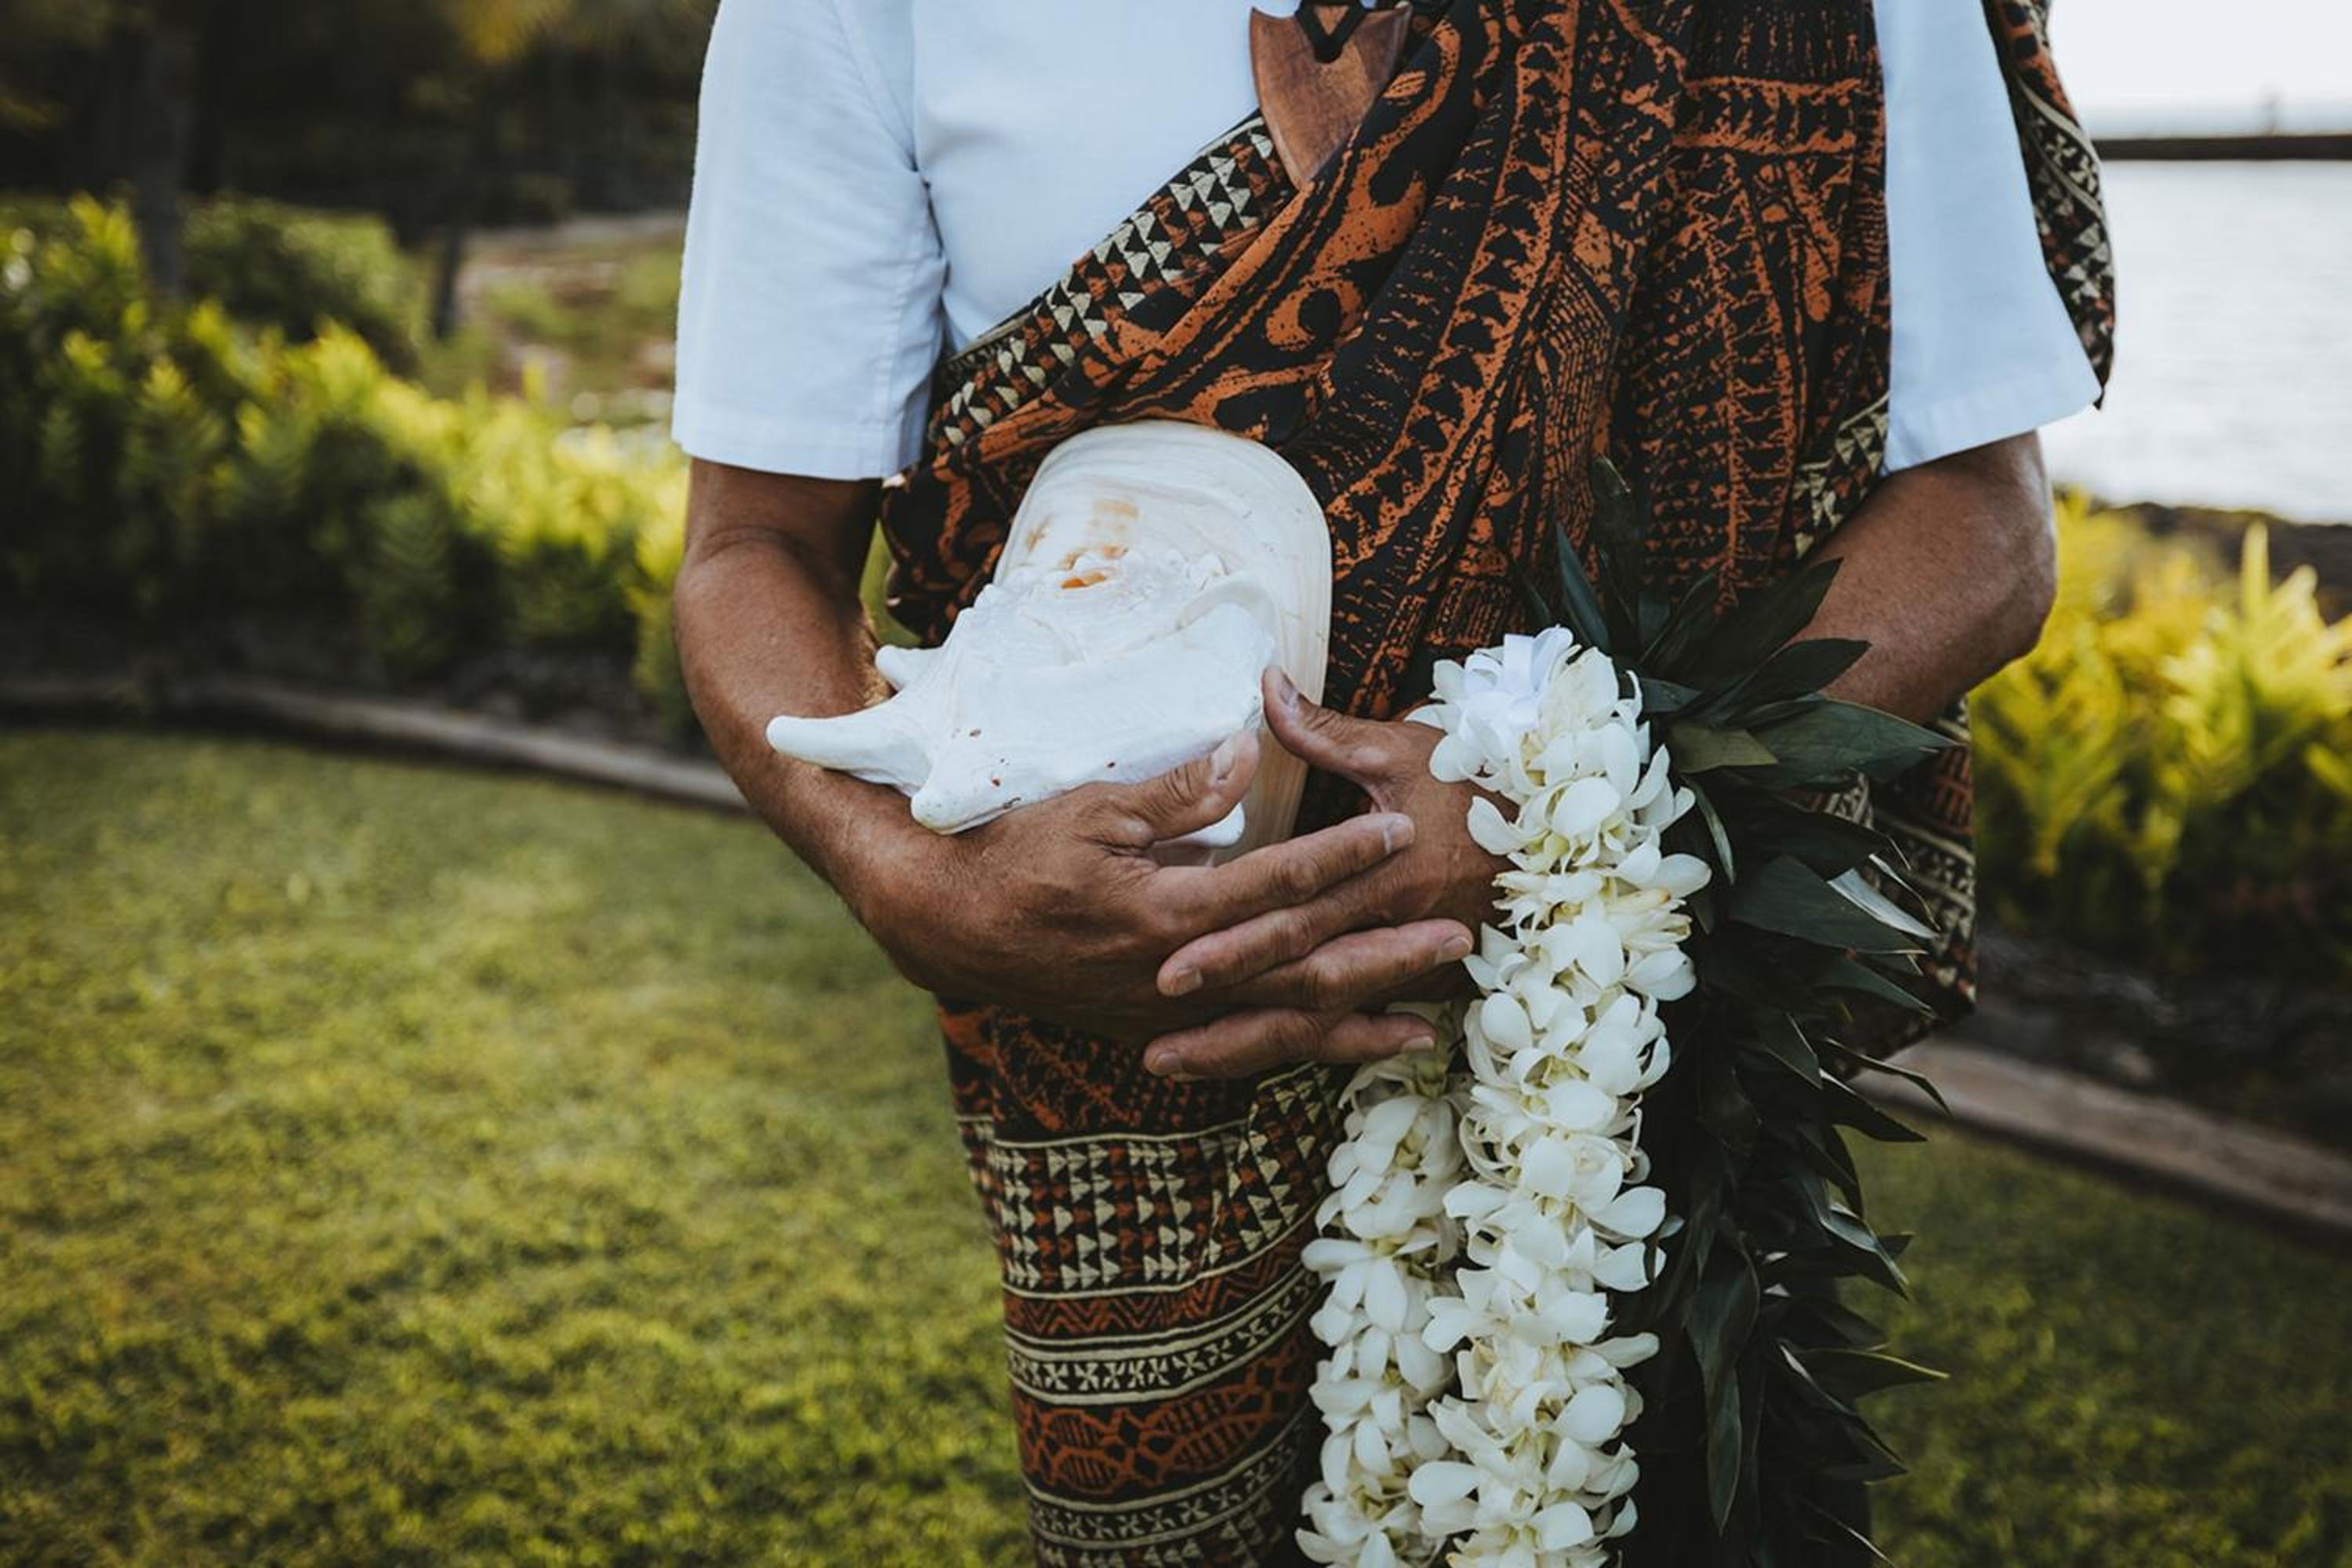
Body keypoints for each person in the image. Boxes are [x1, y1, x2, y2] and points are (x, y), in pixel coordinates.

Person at [666, 2, 2114, 1561]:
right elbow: (755, 543)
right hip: (1122, 1068)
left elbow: (1981, 522)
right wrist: (907, 879)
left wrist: (1561, 794)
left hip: (1624, 1053)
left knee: (1627, 1495)